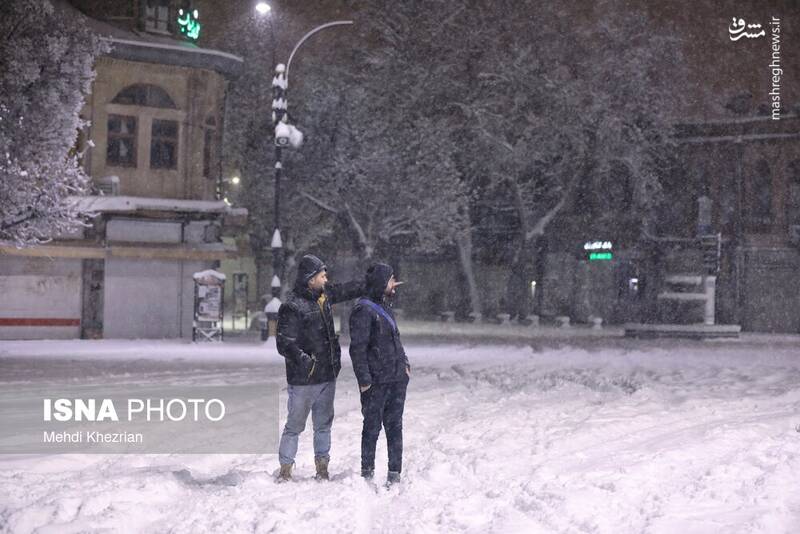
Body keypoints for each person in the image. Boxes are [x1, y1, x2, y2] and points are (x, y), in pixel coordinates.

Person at [275, 254, 363, 482]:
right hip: (303, 381)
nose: (326, 279)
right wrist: (307, 361)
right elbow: (285, 343)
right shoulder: (292, 307)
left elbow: (347, 290)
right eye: (322, 276)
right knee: (294, 426)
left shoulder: (324, 298)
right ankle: (285, 469)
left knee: (323, 425)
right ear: (310, 278)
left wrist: (373, 281)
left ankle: (322, 467)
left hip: (327, 376)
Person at [349, 262, 410, 486]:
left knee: (395, 427)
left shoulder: (385, 306)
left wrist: (405, 364)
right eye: (391, 280)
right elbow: (357, 349)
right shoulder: (363, 310)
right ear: (381, 283)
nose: (395, 284)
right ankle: (367, 473)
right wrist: (365, 381)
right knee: (372, 428)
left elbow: (396, 340)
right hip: (375, 383)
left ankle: (395, 473)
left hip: (396, 379)